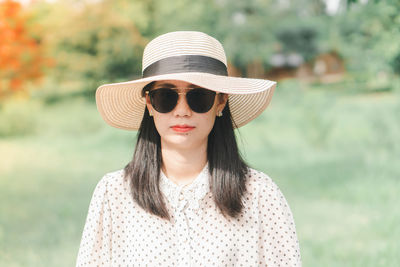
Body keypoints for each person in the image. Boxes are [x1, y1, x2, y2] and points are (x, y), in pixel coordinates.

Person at [76, 31, 301, 266]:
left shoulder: (260, 195)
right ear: (149, 104)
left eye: (199, 96)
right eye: (165, 96)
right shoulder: (113, 194)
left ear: (220, 101)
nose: (182, 111)